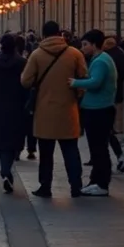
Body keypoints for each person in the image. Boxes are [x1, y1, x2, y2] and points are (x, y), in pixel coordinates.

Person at [20, 20, 88, 199]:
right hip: (68, 110)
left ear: (43, 34)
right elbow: (83, 79)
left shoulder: (36, 55)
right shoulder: (74, 54)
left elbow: (25, 81)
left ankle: (45, 186)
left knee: (46, 153)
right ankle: (76, 186)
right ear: (60, 33)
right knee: (71, 151)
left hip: (45, 111)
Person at [69, 29, 118, 197]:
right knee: (97, 148)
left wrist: (75, 83)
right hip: (98, 109)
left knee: (99, 148)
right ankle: (95, 181)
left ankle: (102, 184)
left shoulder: (100, 62)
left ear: (94, 45)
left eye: (85, 45)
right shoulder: (101, 59)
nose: (82, 48)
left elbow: (96, 82)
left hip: (99, 110)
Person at [0, 33, 28, 192]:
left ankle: (5, 171)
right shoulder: (22, 63)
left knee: (2, 141)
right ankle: (8, 168)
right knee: (16, 138)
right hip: (18, 105)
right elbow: (28, 84)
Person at [103, 34, 124, 172]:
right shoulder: (119, 55)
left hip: (106, 99)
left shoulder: (104, 59)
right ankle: (120, 156)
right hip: (115, 94)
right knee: (109, 130)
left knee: (108, 130)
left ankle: (110, 161)